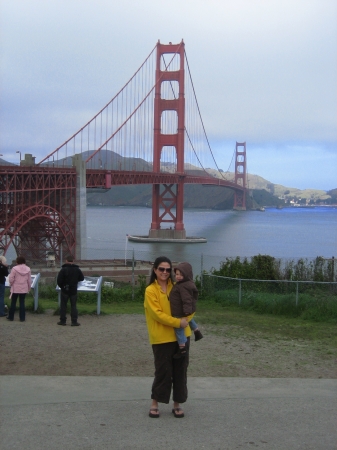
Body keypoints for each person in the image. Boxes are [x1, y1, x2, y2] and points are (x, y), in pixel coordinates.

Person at [144, 256, 192, 419]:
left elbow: (190, 306)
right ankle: (155, 403)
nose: (165, 272)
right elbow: (157, 315)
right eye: (161, 269)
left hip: (182, 337)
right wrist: (179, 323)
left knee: (180, 371)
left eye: (168, 269)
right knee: (163, 372)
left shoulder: (179, 286)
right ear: (155, 270)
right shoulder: (150, 290)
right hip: (162, 338)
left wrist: (188, 320)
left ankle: (177, 404)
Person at [170, 262, 203, 359]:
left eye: (181, 274)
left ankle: (182, 348)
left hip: (180, 311)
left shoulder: (183, 286)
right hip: (183, 310)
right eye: (176, 274)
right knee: (190, 319)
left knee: (179, 329)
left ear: (187, 275)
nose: (178, 277)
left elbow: (186, 300)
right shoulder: (186, 283)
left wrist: (187, 312)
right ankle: (197, 331)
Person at [57, 255, 84, 326]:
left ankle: (63, 321)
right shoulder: (77, 269)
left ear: (66, 261)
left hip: (65, 290)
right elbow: (82, 278)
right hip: (73, 290)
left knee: (63, 306)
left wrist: (62, 286)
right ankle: (74, 321)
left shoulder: (63, 269)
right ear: (73, 261)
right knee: (73, 306)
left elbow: (59, 281)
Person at [7, 256, 32, 322]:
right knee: (22, 303)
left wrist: (11, 283)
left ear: (18, 261)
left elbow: (11, 278)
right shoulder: (28, 269)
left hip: (15, 288)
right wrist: (29, 287)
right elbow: (29, 280)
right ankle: (22, 318)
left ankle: (11, 317)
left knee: (13, 302)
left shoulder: (14, 268)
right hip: (24, 288)